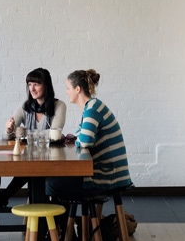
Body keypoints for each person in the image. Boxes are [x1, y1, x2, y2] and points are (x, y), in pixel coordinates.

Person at [46, 68, 131, 198]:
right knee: (54, 180)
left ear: (78, 89)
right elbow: (80, 138)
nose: (66, 92)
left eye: (68, 88)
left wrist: (76, 139)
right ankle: (65, 219)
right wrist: (76, 139)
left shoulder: (92, 108)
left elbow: (84, 141)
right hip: (112, 172)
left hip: (108, 175)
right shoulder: (91, 107)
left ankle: (60, 219)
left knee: (51, 184)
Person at [0, 67, 66, 206]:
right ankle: (37, 219)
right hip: (30, 160)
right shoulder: (25, 107)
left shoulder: (59, 106)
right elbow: (6, 136)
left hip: (51, 159)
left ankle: (3, 197)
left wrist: (24, 133)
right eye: (29, 84)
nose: (32, 89)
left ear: (46, 86)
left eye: (36, 84)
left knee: (31, 169)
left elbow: (54, 133)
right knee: (30, 168)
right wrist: (9, 129)